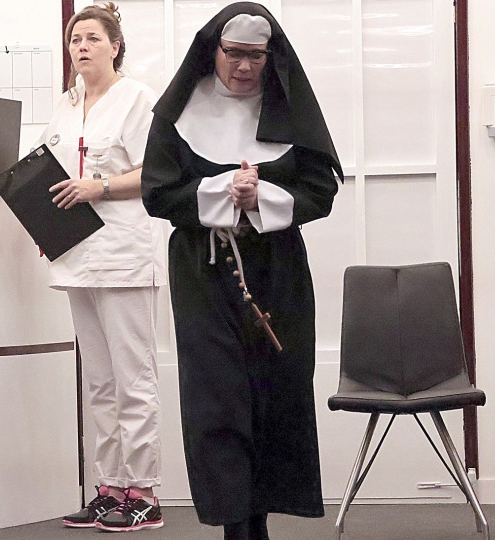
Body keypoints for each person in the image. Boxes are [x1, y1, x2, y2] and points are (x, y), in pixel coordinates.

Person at [140, 3, 343, 540]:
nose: (245, 66)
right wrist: (222, 192)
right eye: (234, 54)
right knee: (218, 398)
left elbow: (320, 191)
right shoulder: (179, 115)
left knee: (276, 392)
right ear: (214, 51)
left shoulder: (290, 112)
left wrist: (263, 198)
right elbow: (157, 194)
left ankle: (261, 520)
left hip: (278, 273)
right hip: (203, 274)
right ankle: (235, 525)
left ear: (271, 57)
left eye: (257, 56)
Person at [40, 2, 167, 533]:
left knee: (133, 379)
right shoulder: (66, 105)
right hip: (76, 256)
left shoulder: (137, 99)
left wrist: (101, 186)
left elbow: (157, 172)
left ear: (115, 46)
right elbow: (52, 172)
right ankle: (109, 487)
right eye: (75, 40)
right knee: (98, 382)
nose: (82, 47)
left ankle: (144, 493)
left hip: (123, 254)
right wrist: (44, 225)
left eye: (92, 38)